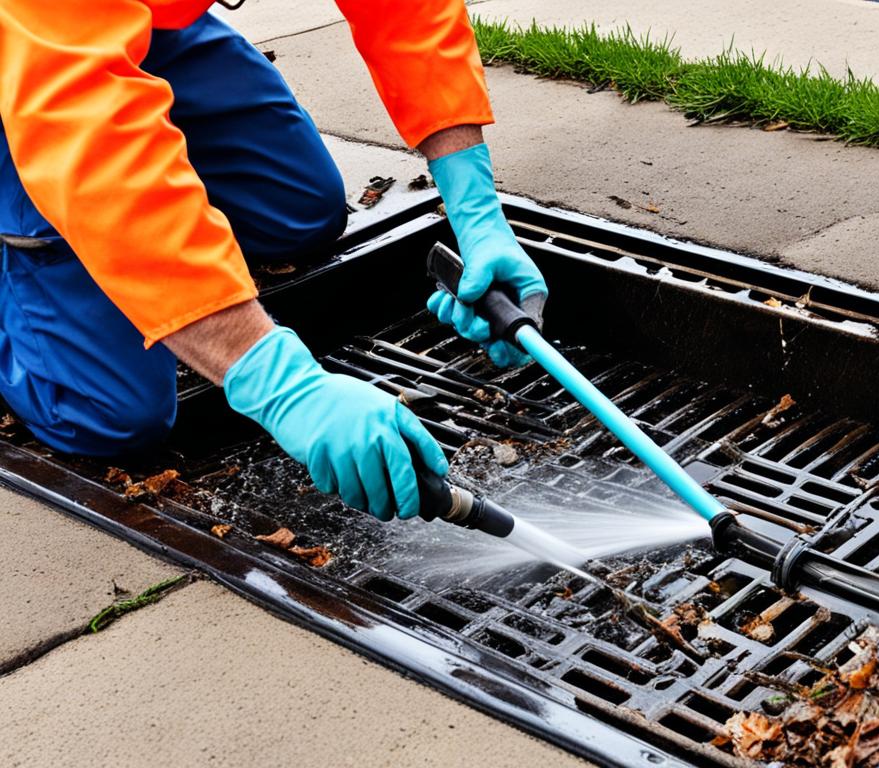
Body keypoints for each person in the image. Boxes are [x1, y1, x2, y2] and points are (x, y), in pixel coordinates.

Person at [0, 1, 545, 522]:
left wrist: (477, 215)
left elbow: (406, 11)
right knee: (106, 416)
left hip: (124, 24)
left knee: (300, 214)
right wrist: (281, 386)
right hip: (33, 58)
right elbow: (90, 136)